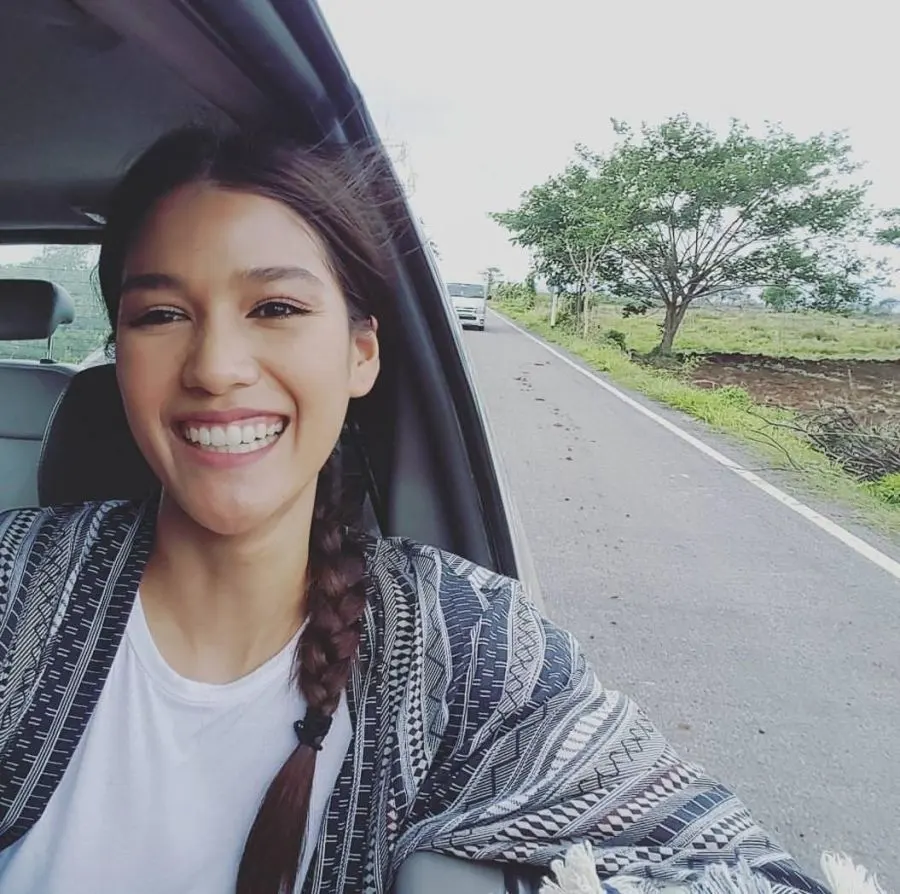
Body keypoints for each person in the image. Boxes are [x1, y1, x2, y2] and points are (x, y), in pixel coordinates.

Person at [0, 127, 828, 894]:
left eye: (276, 308)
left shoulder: (466, 643)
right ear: (121, 354)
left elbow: (734, 866)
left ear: (361, 352)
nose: (216, 367)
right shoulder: (15, 584)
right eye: (161, 315)